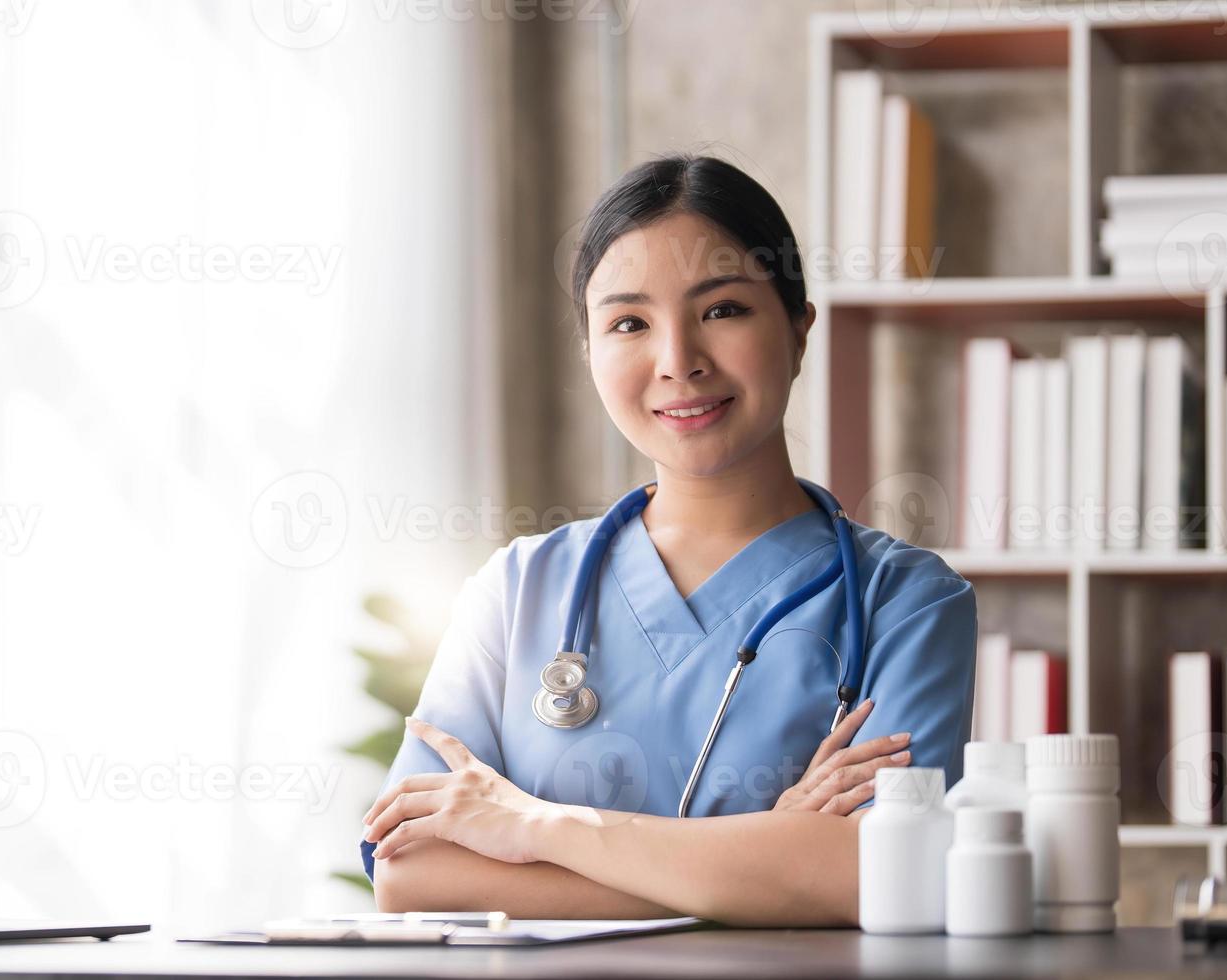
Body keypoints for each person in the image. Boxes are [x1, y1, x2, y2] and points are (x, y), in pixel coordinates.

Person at [358, 153, 976, 927]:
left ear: (799, 328)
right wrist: (765, 862)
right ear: (590, 353)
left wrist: (538, 828)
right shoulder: (517, 592)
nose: (678, 360)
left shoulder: (909, 604)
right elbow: (413, 870)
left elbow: (876, 874)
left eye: (722, 310)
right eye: (629, 323)